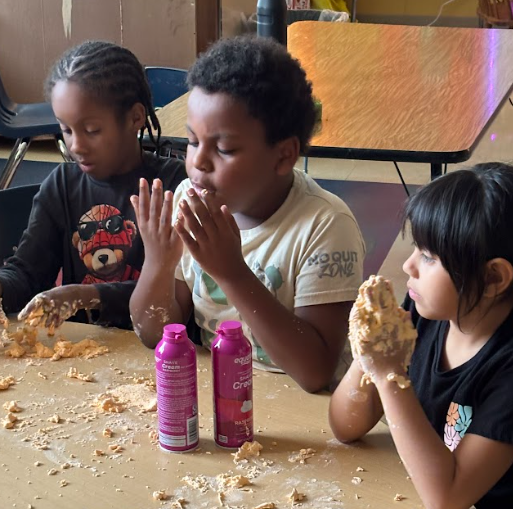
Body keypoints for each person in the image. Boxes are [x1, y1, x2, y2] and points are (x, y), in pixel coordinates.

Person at [129, 35, 365, 393]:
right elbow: (154, 334)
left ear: (284, 156)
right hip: (223, 397)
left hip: (306, 416)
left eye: (223, 149)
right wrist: (158, 264)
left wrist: (232, 272)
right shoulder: (187, 203)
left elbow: (315, 372)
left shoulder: (325, 226)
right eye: (192, 141)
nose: (198, 162)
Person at [329, 163, 513, 509]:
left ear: (493, 278)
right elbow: (346, 426)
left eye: (429, 257)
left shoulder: (512, 369)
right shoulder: (428, 313)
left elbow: (447, 498)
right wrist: (369, 349)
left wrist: (388, 375)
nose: (408, 266)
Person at [0, 40, 186, 329]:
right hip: (86, 355)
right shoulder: (61, 186)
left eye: (92, 130)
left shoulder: (174, 187)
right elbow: (26, 274)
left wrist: (85, 294)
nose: (76, 146)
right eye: (65, 130)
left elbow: (179, 294)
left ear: (136, 117)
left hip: (160, 353)